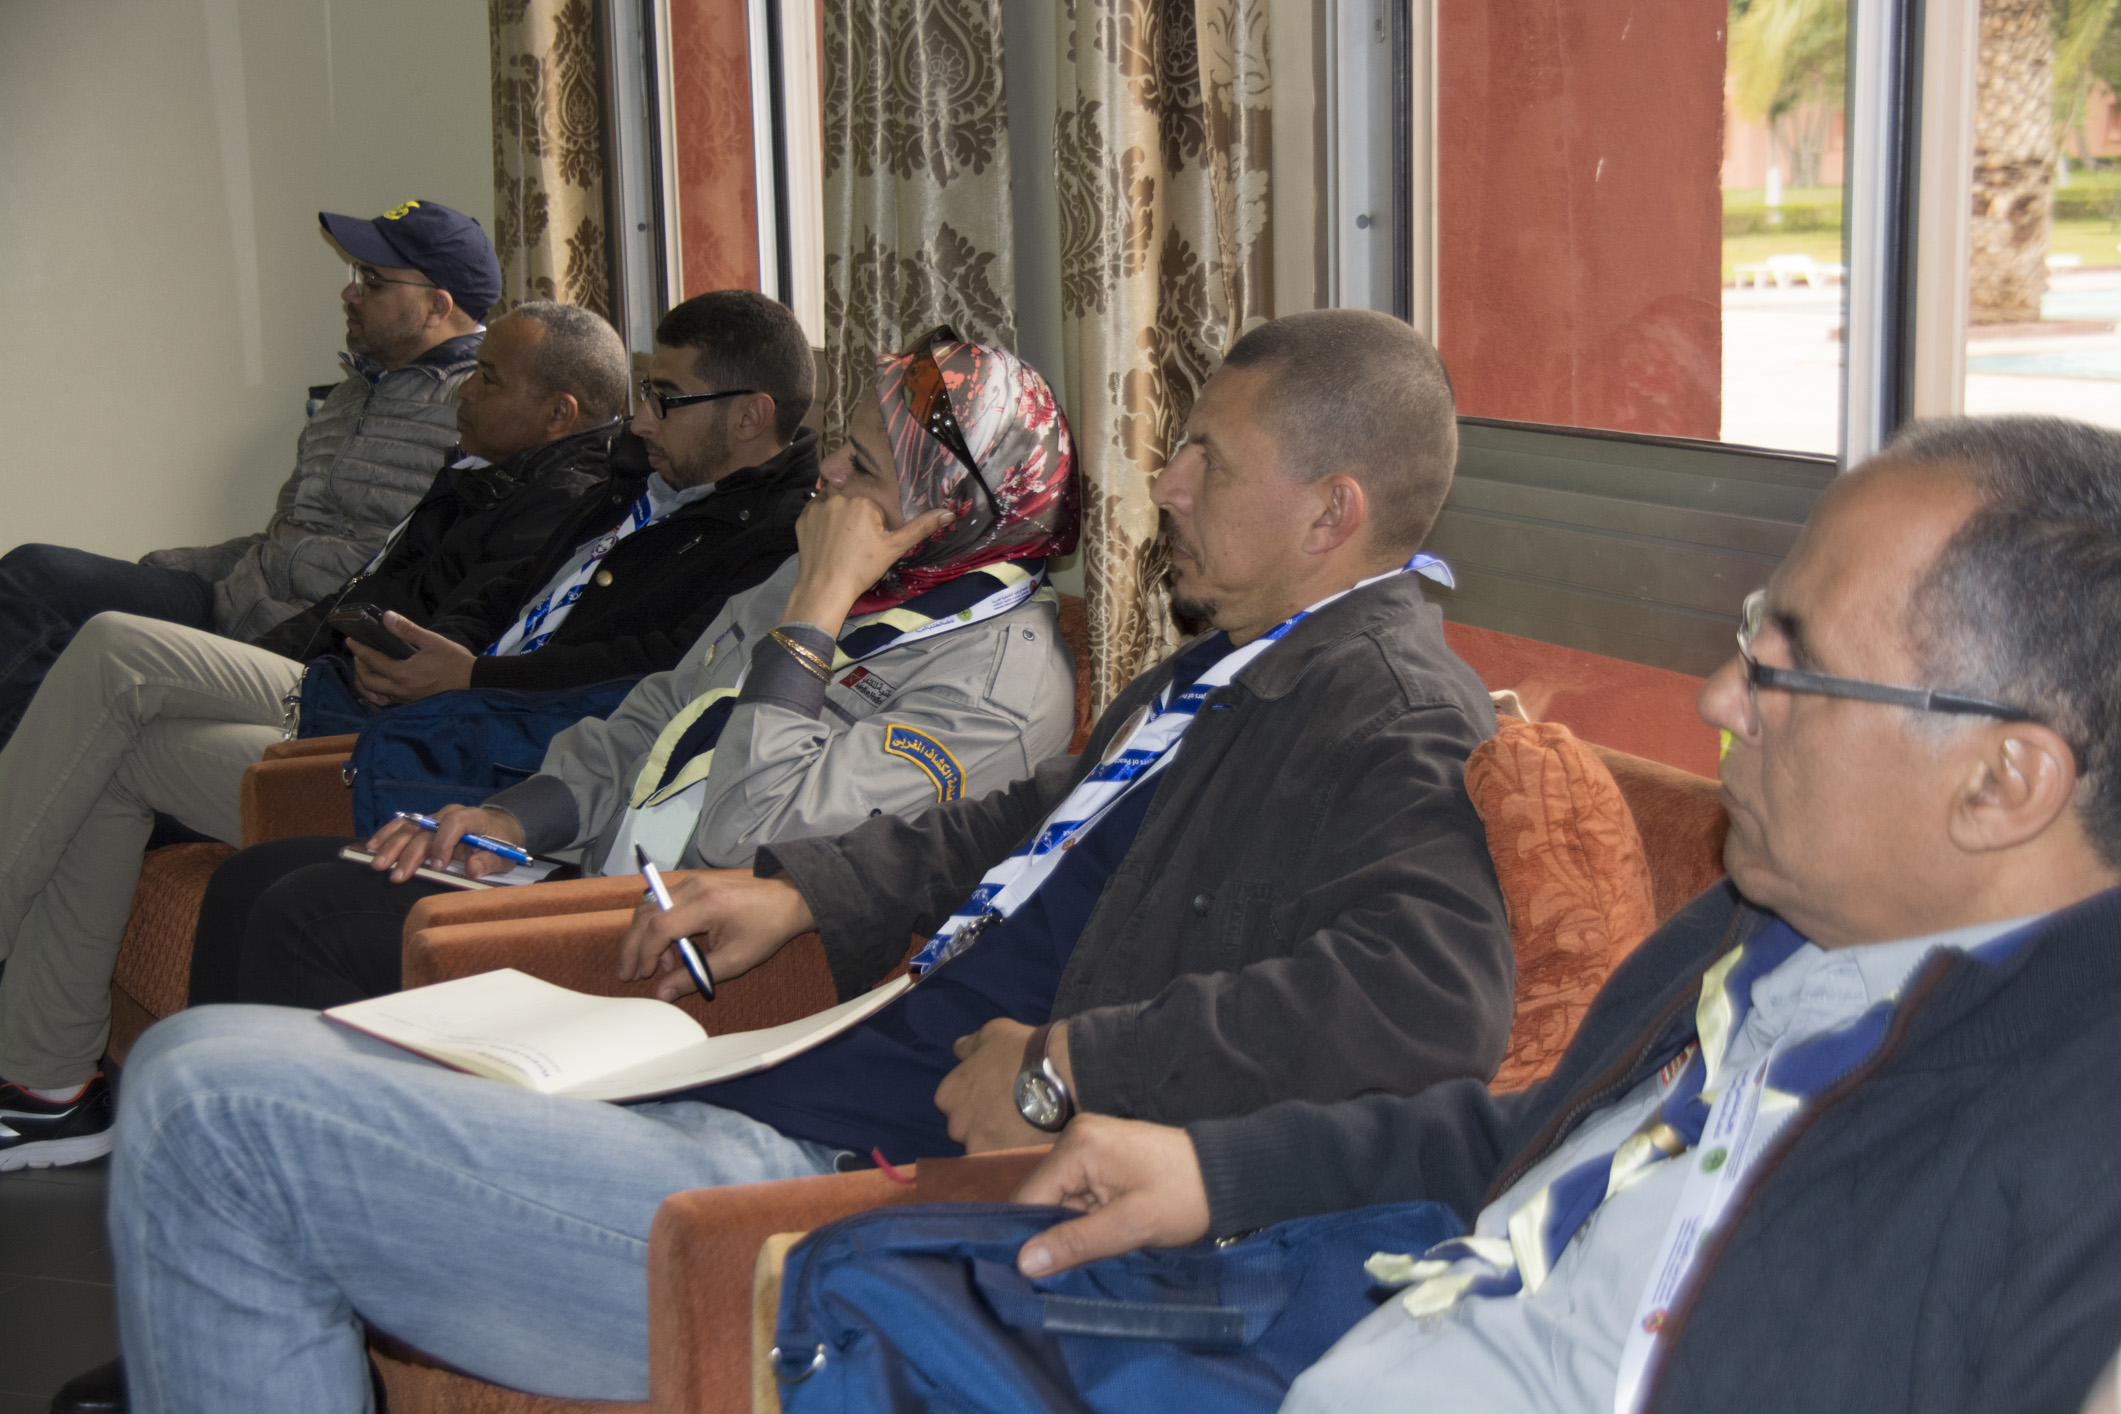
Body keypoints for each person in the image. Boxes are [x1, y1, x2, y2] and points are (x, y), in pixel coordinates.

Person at [97, 309, 1513, 1411]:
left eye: (1212, 458)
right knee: (222, 1062)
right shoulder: (1214, 675)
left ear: (1331, 512)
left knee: (206, 1102)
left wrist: (1067, 1065)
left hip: (846, 1198)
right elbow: (1019, 827)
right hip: (778, 1073)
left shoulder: (1386, 706)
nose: (1173, 484)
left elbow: (1427, 995)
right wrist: (800, 888)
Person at [824, 414, 2121, 1414]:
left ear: (2001, 782)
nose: (1721, 699)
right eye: (1745, 636)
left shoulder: (2070, 1155)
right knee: (861, 1303)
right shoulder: (1760, 928)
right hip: (1328, 1358)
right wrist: (1222, 1169)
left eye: (1792, 667)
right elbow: (1530, 1140)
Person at [193, 328, 1081, 1012]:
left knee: (308, 915)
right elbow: (655, 714)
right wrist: (512, 819)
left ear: (950, 514)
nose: (828, 470)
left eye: (863, 464)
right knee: (254, 880)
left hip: (675, 946)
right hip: (598, 870)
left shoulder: (993, 694)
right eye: (840, 443)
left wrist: (815, 611)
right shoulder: (844, 571)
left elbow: (750, 836)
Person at [0, 299, 629, 1169]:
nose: (464, 392)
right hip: (329, 681)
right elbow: (368, 597)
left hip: (370, 717)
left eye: (487, 378)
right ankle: (48, 1087)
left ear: (559, 412)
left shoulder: (562, 495)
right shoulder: (486, 472)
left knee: (115, 652)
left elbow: (465, 636)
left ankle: (46, 1081)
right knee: (106, 701)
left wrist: (392, 659)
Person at [0, 199, 501, 748]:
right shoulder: (352, 395)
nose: (350, 293)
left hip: (312, 642)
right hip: (234, 603)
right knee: (36, 576)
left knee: (105, 655)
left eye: (373, 281)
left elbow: (433, 574)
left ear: (436, 307)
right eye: (356, 275)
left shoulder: (478, 410)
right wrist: (171, 570)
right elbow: (284, 534)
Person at [320, 287, 821, 713]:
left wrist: (473, 677)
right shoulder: (630, 485)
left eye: (666, 400)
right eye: (646, 392)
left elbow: (665, 668)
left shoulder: (783, 541)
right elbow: (507, 593)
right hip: (451, 714)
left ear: (750, 417)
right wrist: (430, 653)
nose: (642, 422)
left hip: (520, 748)